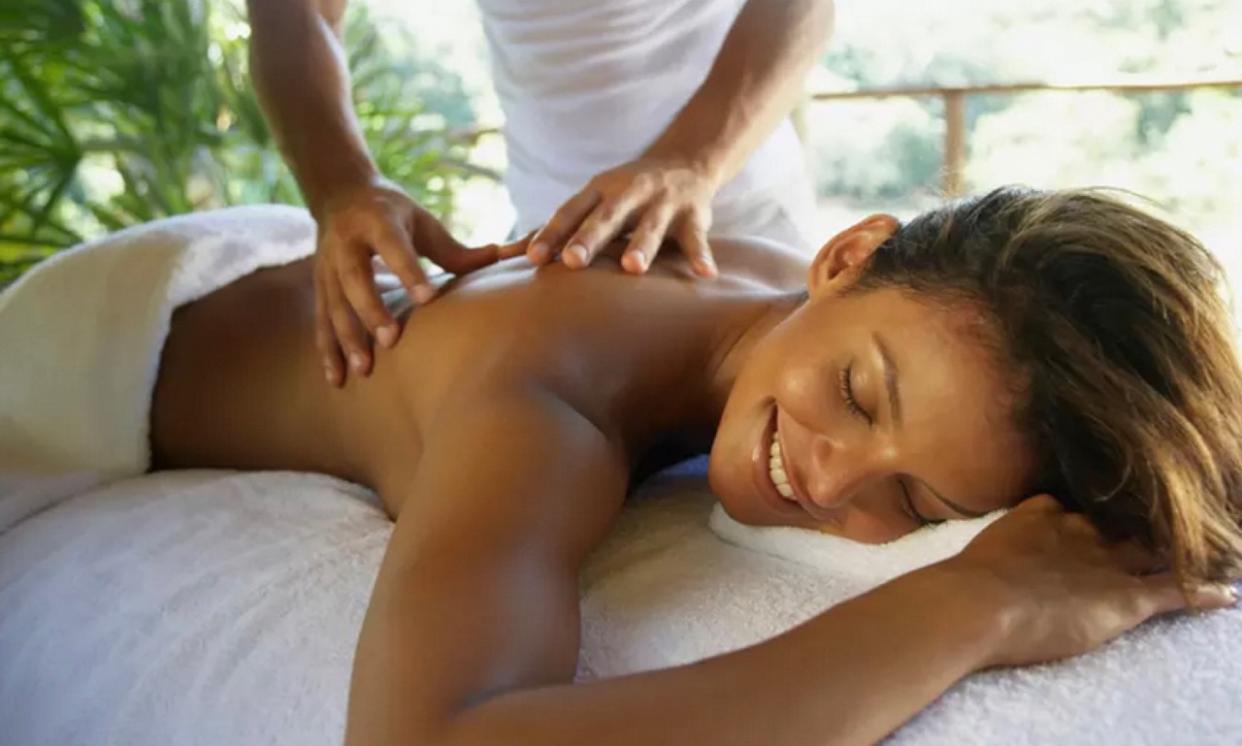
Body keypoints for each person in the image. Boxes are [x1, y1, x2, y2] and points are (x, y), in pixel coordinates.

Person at [147, 186, 1242, 744]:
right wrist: (974, 602)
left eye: (915, 501)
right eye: (858, 395)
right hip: (120, 343)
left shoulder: (774, 294)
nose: (828, 475)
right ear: (847, 255)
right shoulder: (543, 406)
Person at [246, 0, 833, 387]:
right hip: (553, 241)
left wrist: (693, 160)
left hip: (741, 215)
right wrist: (344, 187)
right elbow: (293, 15)